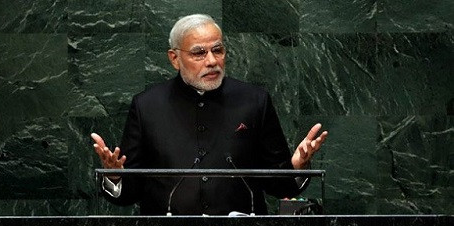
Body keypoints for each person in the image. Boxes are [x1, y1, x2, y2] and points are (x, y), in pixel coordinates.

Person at [92, 14, 327, 215]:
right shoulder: (147, 106)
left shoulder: (254, 100)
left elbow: (278, 185)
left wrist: (297, 167)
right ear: (174, 58)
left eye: (218, 50)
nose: (212, 61)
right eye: (199, 53)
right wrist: (115, 178)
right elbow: (129, 193)